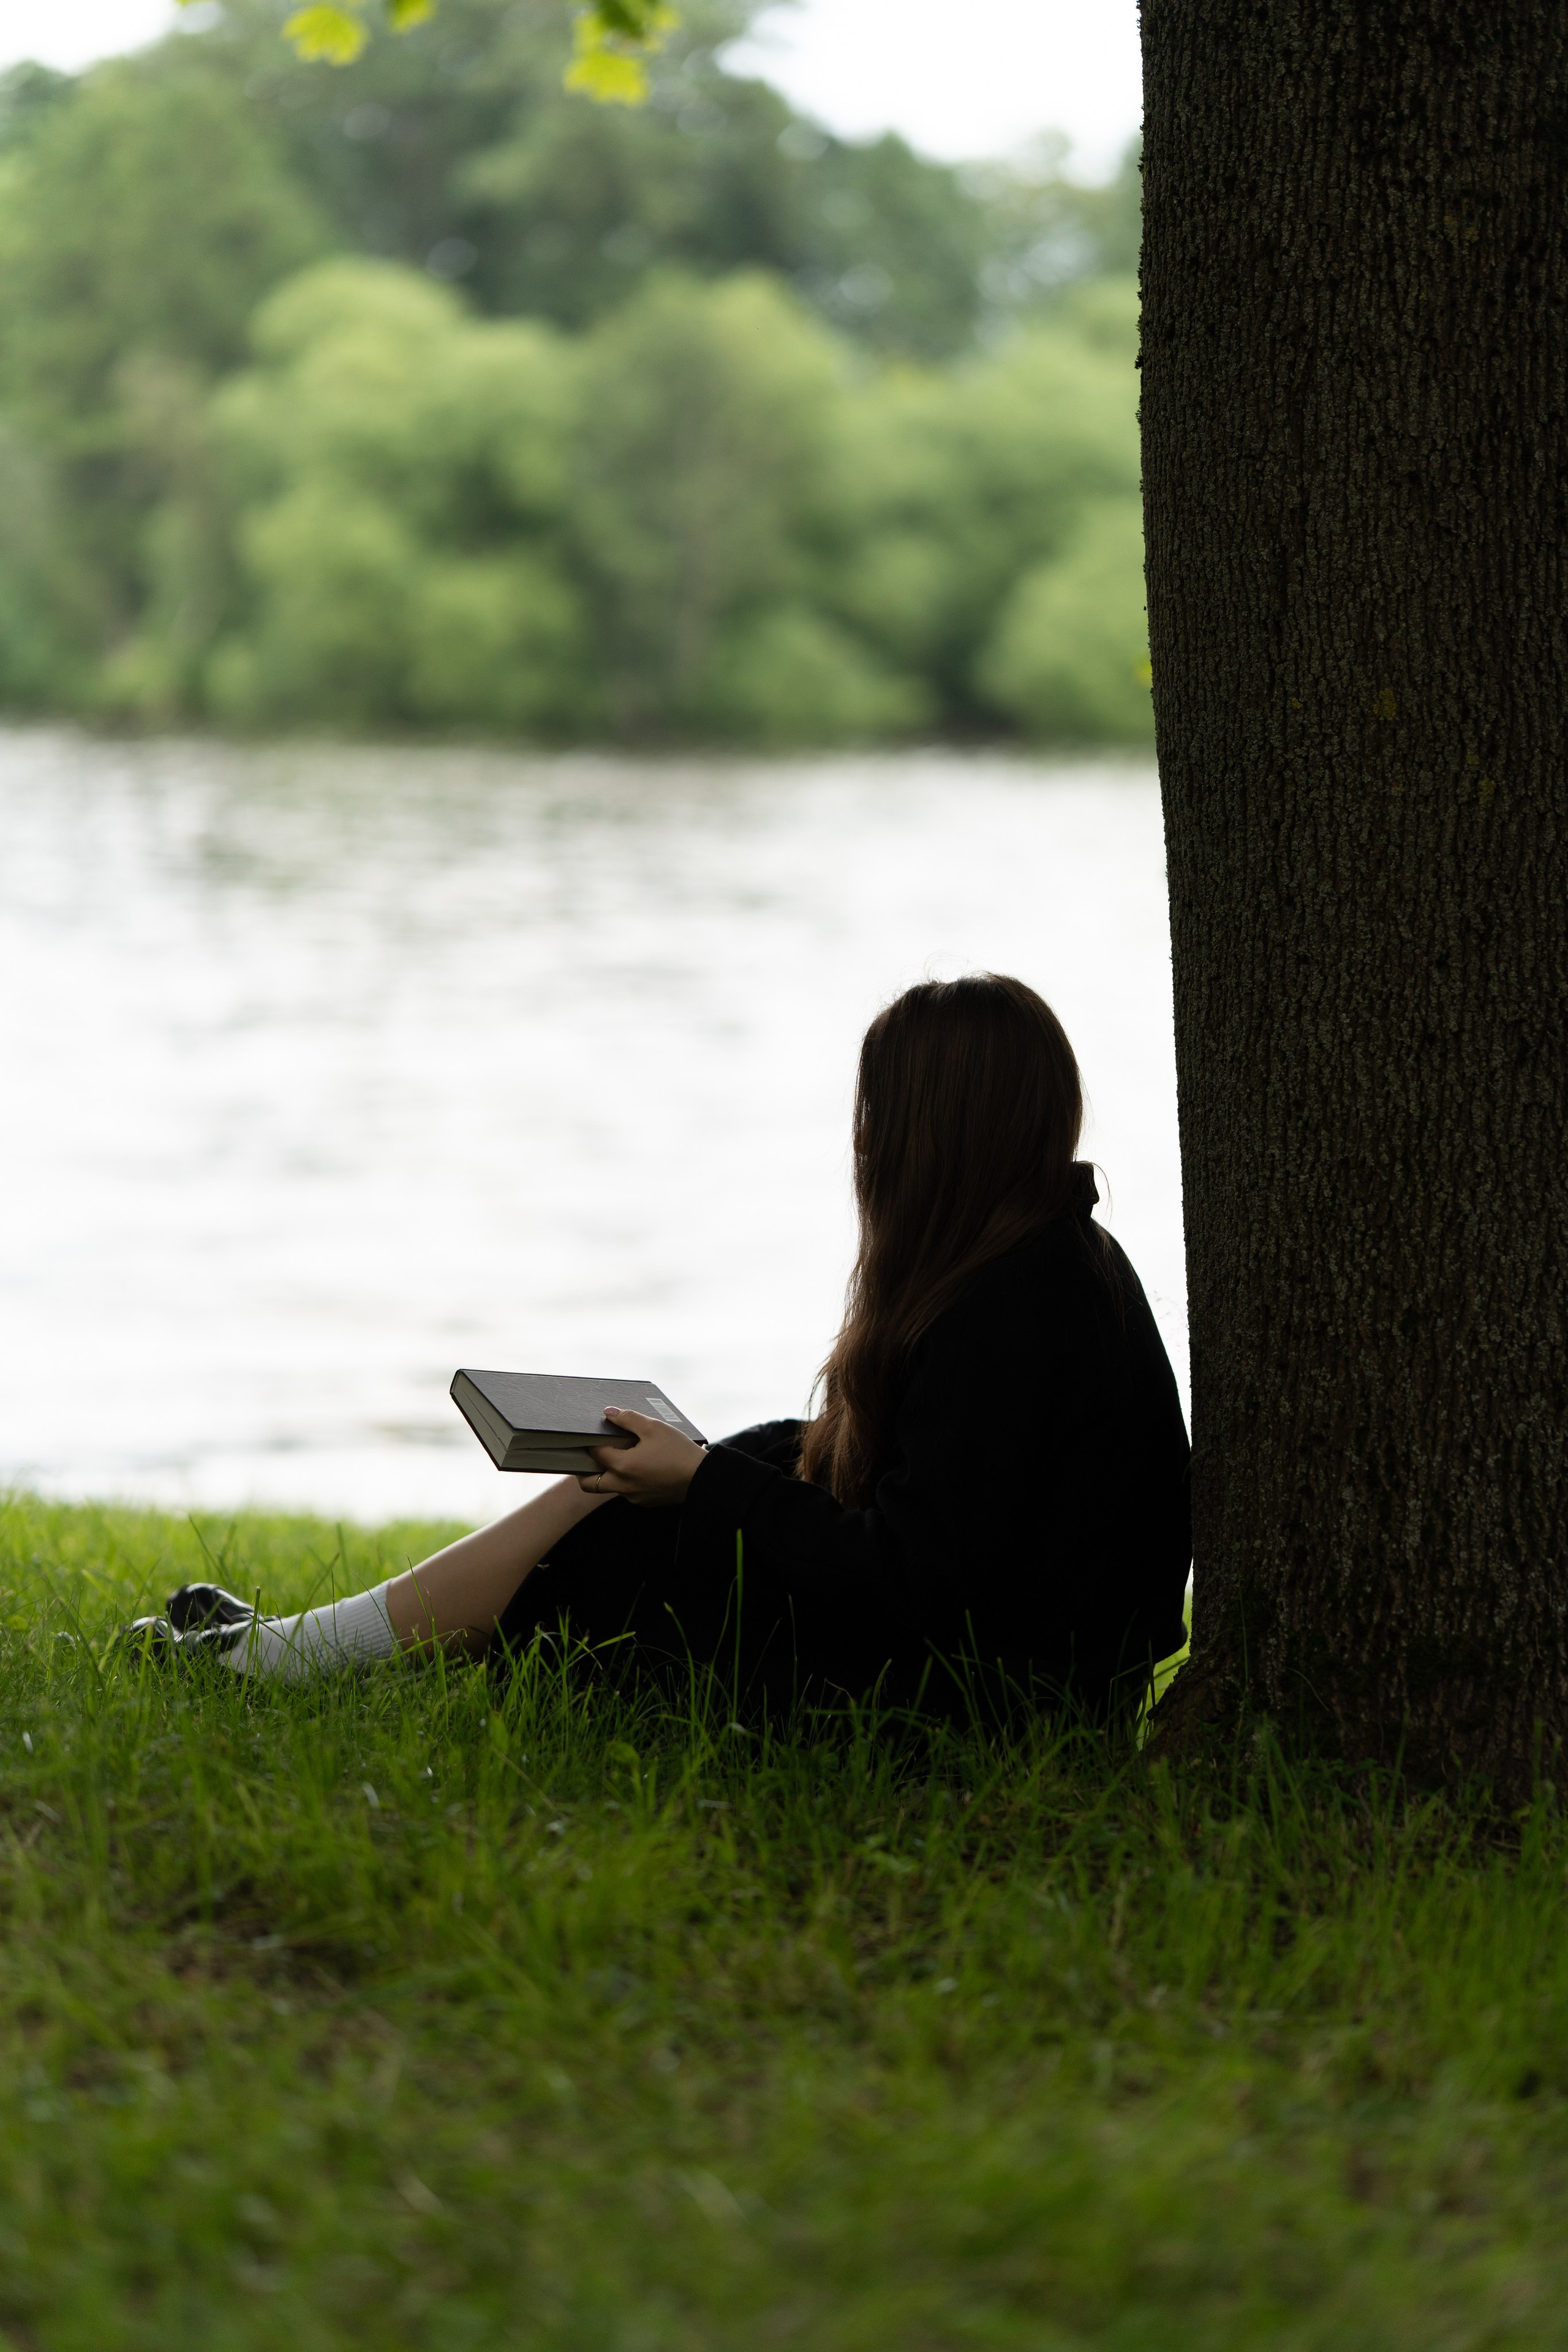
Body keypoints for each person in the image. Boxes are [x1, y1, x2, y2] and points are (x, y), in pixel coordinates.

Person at [127, 976, 1191, 1722]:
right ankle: (290, 1649)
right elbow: (977, 1494)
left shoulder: (1011, 1307)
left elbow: (917, 1581)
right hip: (1020, 1663)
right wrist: (759, 1459)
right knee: (694, 1475)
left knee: (631, 1532)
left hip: (988, 1699)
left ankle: (285, 1658)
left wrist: (712, 1481)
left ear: (921, 1132)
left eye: (875, 1111)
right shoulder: (1057, 1259)